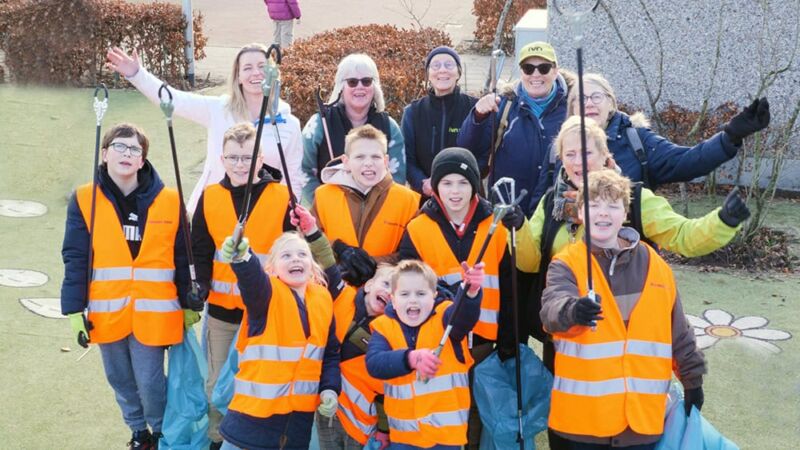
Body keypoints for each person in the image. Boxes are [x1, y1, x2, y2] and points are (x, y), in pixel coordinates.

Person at [501, 116, 749, 450]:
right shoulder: (553, 210)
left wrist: (722, 222)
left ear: (606, 156)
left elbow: (683, 240)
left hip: (639, 411)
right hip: (571, 349)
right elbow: (537, 272)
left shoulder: (643, 230)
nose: (578, 162)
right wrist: (517, 230)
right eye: (570, 154)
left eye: (586, 152)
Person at [540, 169, 707, 449]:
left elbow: (677, 330)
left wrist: (693, 378)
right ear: (580, 213)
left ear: (625, 212)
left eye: (612, 205)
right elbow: (551, 310)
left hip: (642, 424)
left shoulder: (655, 265)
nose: (603, 213)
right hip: (582, 425)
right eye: (593, 205)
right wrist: (573, 311)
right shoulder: (565, 263)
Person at [60, 123, 197, 449]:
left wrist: (189, 299)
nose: (127, 154)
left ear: (142, 160)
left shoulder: (169, 200)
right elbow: (76, 257)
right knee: (119, 378)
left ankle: (164, 433)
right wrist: (73, 311)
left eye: (134, 149)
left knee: (150, 382)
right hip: (107, 312)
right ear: (105, 154)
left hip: (155, 312)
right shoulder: (83, 199)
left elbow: (183, 254)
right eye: (119, 147)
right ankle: (139, 433)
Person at [397, 147, 512, 448]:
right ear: (435, 187)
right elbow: (406, 285)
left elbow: (512, 287)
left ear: (475, 185)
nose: (455, 191)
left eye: (463, 182)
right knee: (443, 415)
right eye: (446, 183)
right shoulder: (418, 228)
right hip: (439, 343)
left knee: (477, 416)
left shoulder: (496, 226)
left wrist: (510, 337)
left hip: (485, 344)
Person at [190, 122, 294, 448]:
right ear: (222, 159)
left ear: (260, 159)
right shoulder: (210, 198)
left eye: (247, 158)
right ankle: (217, 441)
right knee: (216, 383)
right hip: (221, 312)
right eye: (233, 157)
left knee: (261, 384)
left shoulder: (281, 196)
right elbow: (201, 252)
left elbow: (292, 252)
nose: (239, 164)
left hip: (263, 313)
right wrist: (199, 287)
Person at [106, 43, 305, 213]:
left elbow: (293, 178)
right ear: (238, 77)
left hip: (264, 213)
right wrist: (137, 74)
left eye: (262, 66)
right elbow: (174, 99)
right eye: (247, 68)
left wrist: (289, 216)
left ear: (272, 73)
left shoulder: (289, 124)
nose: (256, 73)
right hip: (213, 209)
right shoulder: (218, 109)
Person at [532, 72, 771, 197]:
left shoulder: (636, 140)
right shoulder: (560, 148)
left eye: (596, 97)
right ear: (572, 107)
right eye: (580, 98)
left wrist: (729, 137)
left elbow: (686, 162)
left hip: (629, 258)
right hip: (568, 262)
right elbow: (541, 202)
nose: (589, 104)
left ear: (611, 103)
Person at [217, 230, 342, 449]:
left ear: (312, 265)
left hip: (295, 428)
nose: (295, 258)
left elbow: (330, 353)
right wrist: (243, 257)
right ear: (272, 269)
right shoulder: (265, 296)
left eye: (302, 254)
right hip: (251, 425)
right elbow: (252, 280)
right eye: (286, 256)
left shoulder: (323, 300)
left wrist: (330, 389)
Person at [365, 259, 485, 450]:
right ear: (393, 299)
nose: (413, 299)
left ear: (434, 296)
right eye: (404, 294)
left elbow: (464, 317)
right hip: (404, 439)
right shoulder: (383, 327)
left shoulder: (446, 317)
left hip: (446, 440)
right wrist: (410, 358)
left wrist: (470, 293)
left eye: (421, 293)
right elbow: (374, 364)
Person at [457, 41, 568, 213]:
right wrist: (477, 116)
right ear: (521, 72)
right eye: (528, 68)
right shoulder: (504, 105)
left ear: (555, 71)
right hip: (508, 211)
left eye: (544, 68)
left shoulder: (572, 109)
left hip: (554, 212)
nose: (535, 75)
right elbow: (466, 147)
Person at [312, 125, 420, 286]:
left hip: (384, 294)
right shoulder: (323, 196)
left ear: (386, 161)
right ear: (346, 162)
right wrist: (339, 251)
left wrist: (373, 263)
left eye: (375, 157)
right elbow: (309, 239)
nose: (368, 163)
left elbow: (411, 253)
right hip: (333, 289)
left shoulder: (408, 200)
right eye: (360, 157)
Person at [301, 53, 406, 204]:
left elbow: (397, 177)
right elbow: (303, 170)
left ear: (374, 87)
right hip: (329, 217)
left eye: (366, 81)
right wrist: (320, 207)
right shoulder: (318, 124)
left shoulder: (389, 127)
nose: (360, 87)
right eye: (352, 82)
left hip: (377, 215)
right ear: (340, 87)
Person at [315, 264, 394, 449]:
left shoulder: (389, 335)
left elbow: (386, 392)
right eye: (386, 284)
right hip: (327, 406)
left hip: (360, 423)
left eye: (396, 292)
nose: (389, 293)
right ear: (368, 285)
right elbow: (327, 264)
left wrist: (384, 429)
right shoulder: (343, 297)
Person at [402, 46, 477, 198]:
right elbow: (407, 158)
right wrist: (422, 183)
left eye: (449, 65)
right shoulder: (413, 112)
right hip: (425, 198)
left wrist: (464, 183)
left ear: (458, 73)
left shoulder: (474, 108)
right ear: (428, 74)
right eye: (435, 65)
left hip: (465, 197)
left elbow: (483, 155)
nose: (442, 70)